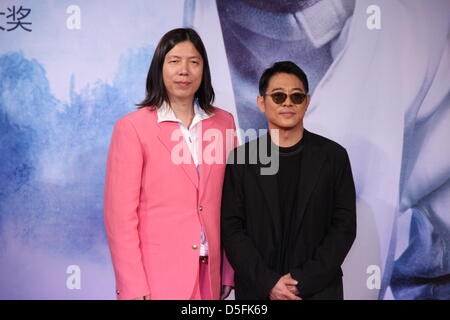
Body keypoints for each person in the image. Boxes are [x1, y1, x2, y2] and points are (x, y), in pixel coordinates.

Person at [104, 28, 236, 300]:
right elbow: (120, 218)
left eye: (194, 62)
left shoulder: (224, 123)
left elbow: (233, 203)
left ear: (204, 69)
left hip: (209, 274)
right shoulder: (132, 128)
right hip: (154, 278)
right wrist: (133, 287)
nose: (184, 70)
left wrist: (228, 270)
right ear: (159, 68)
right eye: (174, 61)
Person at [221, 61, 356, 300]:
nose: (287, 103)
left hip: (318, 291)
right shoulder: (242, 159)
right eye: (278, 96)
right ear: (262, 102)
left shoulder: (334, 157)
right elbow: (232, 229)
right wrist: (268, 282)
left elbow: (344, 227)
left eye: (296, 97)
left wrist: (300, 282)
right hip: (258, 292)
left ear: (307, 102)